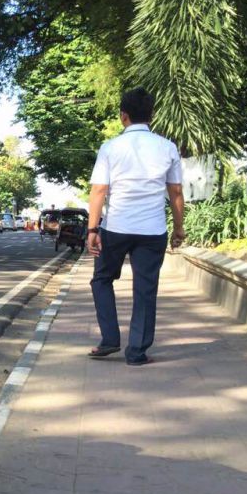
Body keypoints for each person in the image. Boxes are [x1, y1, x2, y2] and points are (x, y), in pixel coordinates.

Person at [86, 87, 184, 366]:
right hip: (152, 231)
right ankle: (137, 352)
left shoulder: (110, 147)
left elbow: (98, 191)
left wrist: (93, 231)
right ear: (150, 115)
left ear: (123, 116)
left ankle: (109, 339)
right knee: (145, 289)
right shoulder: (167, 147)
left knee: (102, 279)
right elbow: (175, 192)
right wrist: (179, 229)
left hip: (116, 227)